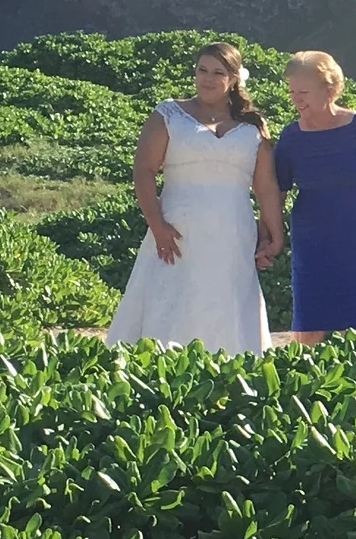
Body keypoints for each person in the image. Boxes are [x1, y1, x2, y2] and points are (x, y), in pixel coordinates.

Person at [105, 41, 285, 355]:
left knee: (229, 301)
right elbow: (144, 171)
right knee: (172, 298)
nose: (208, 78)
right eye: (202, 70)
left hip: (233, 234)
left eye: (218, 72)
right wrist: (157, 225)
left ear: (234, 78)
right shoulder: (169, 113)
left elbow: (267, 189)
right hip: (177, 230)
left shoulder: (253, 126)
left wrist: (274, 236)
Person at [273, 50, 356, 344]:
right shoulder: (291, 137)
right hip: (312, 243)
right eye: (292, 91)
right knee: (309, 327)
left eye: (303, 91)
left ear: (329, 89)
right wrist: (270, 235)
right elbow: (277, 191)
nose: (296, 99)